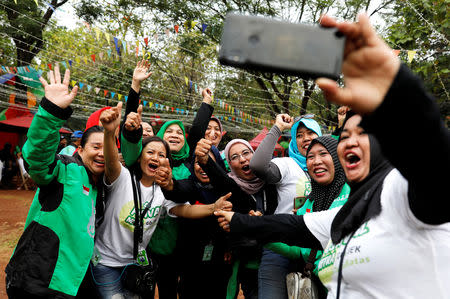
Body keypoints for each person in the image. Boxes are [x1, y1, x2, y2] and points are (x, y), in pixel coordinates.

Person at [215, 13, 450, 299]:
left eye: (361, 133)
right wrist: (239, 221)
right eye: (344, 136)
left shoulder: (402, 191)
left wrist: (394, 84)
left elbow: (434, 161)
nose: (349, 141)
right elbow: (291, 225)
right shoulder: (346, 212)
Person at [90, 103, 232, 298]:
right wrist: (109, 133)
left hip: (136, 265)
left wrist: (213, 207)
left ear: (167, 161)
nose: (156, 157)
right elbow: (111, 160)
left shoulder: (162, 191)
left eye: (162, 155)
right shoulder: (122, 177)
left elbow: (185, 210)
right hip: (106, 263)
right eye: (150, 152)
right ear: (140, 157)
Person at [5, 65, 105, 298]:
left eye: (106, 149)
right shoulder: (67, 169)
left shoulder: (101, 185)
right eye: (95, 147)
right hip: (37, 281)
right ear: (79, 149)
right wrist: (51, 112)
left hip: (69, 283)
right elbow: (37, 159)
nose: (101, 153)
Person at [265, 136, 350, 298]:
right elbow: (297, 250)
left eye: (323, 154)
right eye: (310, 157)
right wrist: (262, 234)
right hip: (323, 289)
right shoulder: (307, 204)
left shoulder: (355, 192)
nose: (316, 161)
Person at [248, 113, 322, 298]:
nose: (305, 138)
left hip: (314, 250)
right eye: (299, 135)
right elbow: (257, 165)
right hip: (279, 246)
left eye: (311, 133)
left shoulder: (330, 168)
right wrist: (278, 128)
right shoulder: (287, 165)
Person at [195, 138, 278, 299]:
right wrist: (205, 161)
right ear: (230, 165)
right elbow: (223, 182)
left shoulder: (273, 181)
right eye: (234, 157)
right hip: (248, 263)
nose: (242, 159)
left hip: (279, 258)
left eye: (246, 153)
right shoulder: (231, 189)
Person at [160, 149, 232, 299]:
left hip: (220, 263)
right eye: (198, 163)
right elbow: (178, 190)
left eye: (208, 162)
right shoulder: (190, 185)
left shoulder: (227, 189)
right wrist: (169, 186)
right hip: (190, 264)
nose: (203, 167)